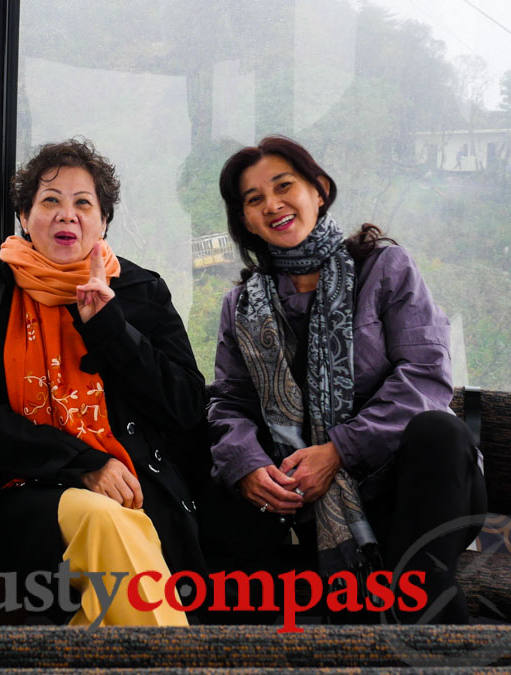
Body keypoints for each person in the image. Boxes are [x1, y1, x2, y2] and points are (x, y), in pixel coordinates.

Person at [206, 135, 486, 623]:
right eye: (254, 200)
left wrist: (337, 451)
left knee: (440, 430)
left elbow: (425, 378)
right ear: (246, 221)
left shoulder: (385, 268)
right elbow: (229, 403)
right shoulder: (241, 307)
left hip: (413, 491)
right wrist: (248, 465)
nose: (272, 204)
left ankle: (426, 613)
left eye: (283, 185)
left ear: (319, 190)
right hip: (310, 503)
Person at [0, 138, 208, 626]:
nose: (66, 215)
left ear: (103, 221)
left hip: (140, 488)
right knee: (107, 520)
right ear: (25, 218)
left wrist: (109, 328)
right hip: (26, 493)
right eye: (49, 201)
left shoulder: (139, 291)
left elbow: (186, 405)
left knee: (119, 542)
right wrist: (83, 465)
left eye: (83, 204)